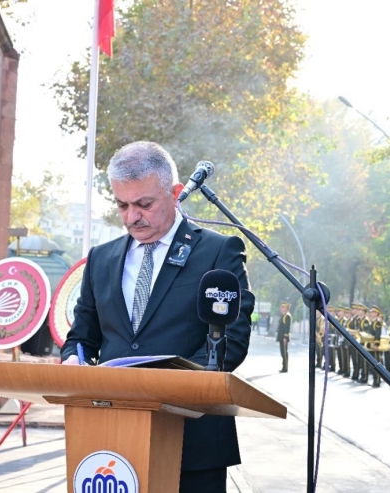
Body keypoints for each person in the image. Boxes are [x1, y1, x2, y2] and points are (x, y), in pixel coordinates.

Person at [60, 141, 255, 492]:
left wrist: (160, 390)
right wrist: (74, 360)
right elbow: (81, 338)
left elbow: (232, 342)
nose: (132, 216)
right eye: (122, 205)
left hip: (194, 442)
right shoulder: (100, 259)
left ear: (176, 193)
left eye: (144, 204)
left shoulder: (219, 251)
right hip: (112, 439)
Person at [276, 302, 292, 373]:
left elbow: (287, 327)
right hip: (281, 337)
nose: (282, 308)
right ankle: (284, 367)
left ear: (286, 308)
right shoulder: (284, 315)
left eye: (283, 307)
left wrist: (285, 337)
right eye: (281, 307)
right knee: (283, 353)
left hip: (284, 338)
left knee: (284, 353)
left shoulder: (287, 316)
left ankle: (285, 368)